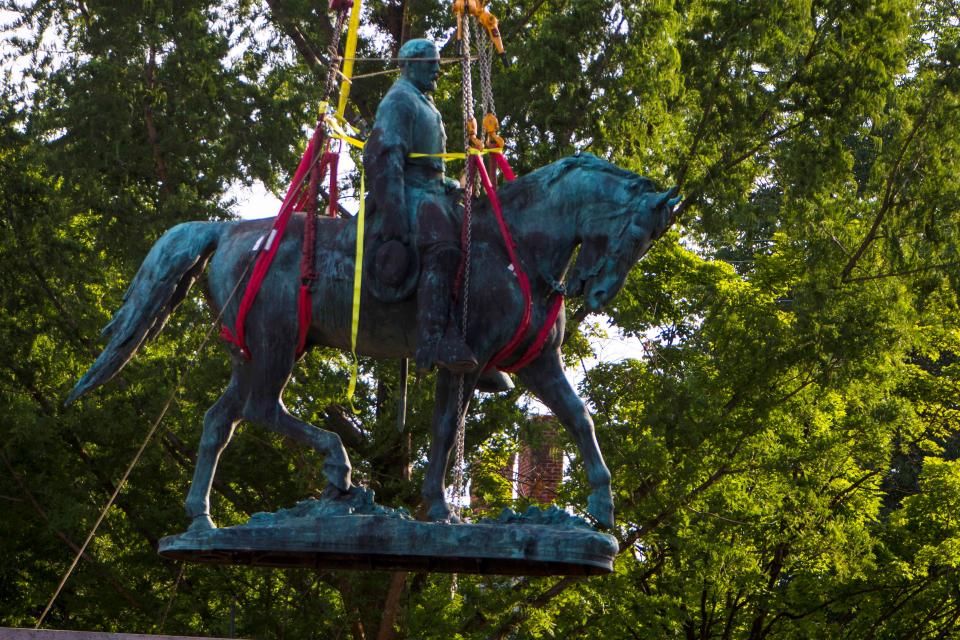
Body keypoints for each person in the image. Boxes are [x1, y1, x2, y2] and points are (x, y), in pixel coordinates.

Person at [362, 38, 478, 375]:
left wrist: (446, 184)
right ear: (411, 63)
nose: (438, 69)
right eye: (431, 62)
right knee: (443, 249)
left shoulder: (423, 101)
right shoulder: (399, 99)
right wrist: (394, 211)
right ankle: (433, 339)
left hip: (431, 190)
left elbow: (430, 163)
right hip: (407, 192)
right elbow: (386, 156)